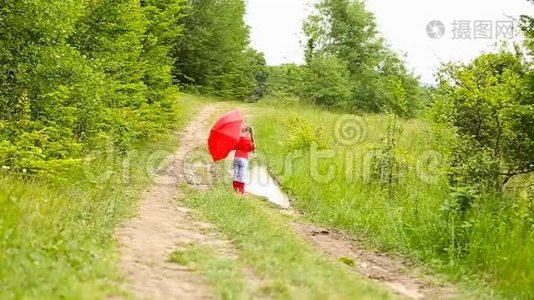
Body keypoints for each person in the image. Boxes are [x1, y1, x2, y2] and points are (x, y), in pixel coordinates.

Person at [232, 126, 255, 194]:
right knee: (242, 174)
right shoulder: (248, 140)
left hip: (236, 158)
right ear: (248, 132)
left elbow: (233, 148)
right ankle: (241, 190)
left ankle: (235, 189)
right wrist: (253, 145)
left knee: (236, 173)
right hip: (243, 159)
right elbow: (250, 149)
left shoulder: (238, 138)